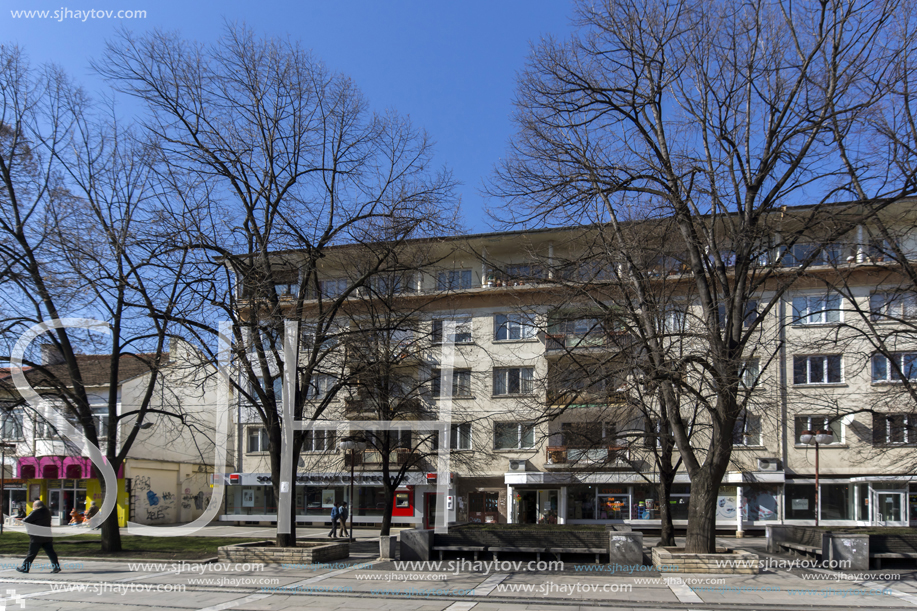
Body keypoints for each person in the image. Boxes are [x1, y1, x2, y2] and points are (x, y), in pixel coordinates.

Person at [17, 500, 60, 574]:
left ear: (36, 506)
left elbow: (26, 520)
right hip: (47, 535)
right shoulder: (47, 512)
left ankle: (25, 568)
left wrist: (21, 519)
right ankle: (56, 567)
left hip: (37, 536)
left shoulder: (36, 512)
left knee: (31, 553)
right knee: (51, 552)